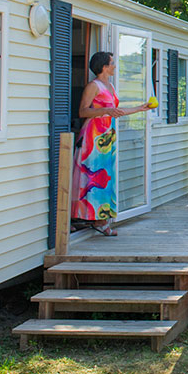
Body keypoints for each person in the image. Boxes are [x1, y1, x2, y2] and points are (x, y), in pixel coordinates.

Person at [71, 51, 155, 236]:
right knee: (89, 177)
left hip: (108, 137)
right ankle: (80, 216)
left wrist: (140, 108)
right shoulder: (93, 86)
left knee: (105, 178)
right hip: (94, 137)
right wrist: (106, 110)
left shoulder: (110, 86)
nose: (114, 66)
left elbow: (116, 110)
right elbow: (83, 111)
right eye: (112, 63)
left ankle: (101, 219)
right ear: (103, 66)